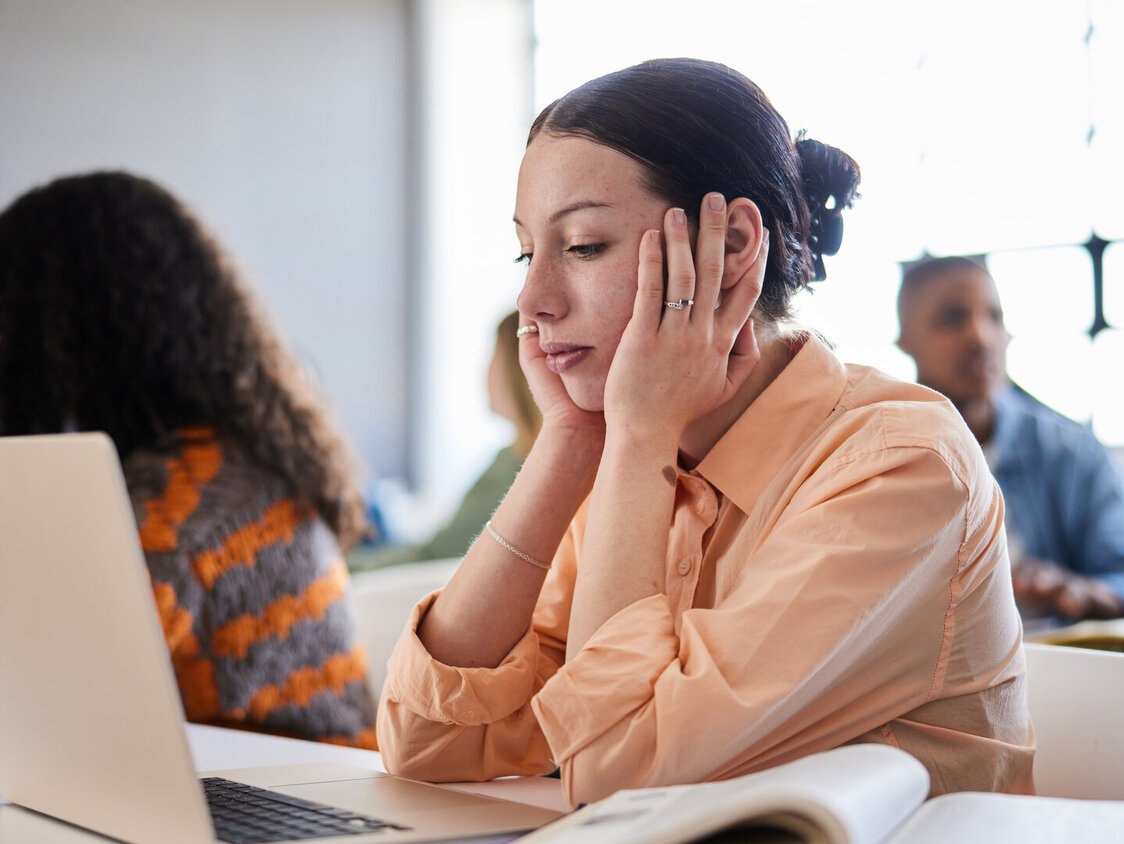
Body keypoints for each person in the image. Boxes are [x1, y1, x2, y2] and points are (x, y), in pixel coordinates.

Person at [377, 58, 1033, 806]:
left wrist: (635, 438)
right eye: (529, 252)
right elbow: (426, 739)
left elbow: (615, 777)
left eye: (583, 246)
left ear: (731, 250)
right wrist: (567, 444)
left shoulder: (902, 467)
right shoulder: (634, 456)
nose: (533, 299)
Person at [0, 171, 378, 748]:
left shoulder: (187, 499)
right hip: (268, 779)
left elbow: (56, 689)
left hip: (288, 803)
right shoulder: (226, 459)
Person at [897, 255, 1124, 621]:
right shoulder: (882, 457)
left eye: (994, 317)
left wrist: (1075, 591)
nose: (980, 336)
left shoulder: (1071, 452)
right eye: (952, 318)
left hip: (1054, 662)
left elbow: (1118, 576)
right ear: (906, 339)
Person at [354, 310, 542, 568]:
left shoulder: (518, 465)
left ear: (516, 369)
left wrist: (341, 569)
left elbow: (437, 553)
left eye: (494, 356)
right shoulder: (520, 457)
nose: (485, 371)